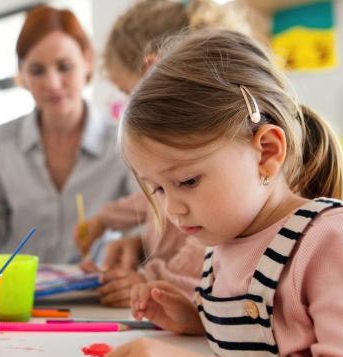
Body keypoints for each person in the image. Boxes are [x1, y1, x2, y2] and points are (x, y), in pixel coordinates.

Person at [93, 30, 343, 357]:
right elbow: (264, 346)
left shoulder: (334, 241)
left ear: (266, 152)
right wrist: (196, 321)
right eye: (158, 189)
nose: (172, 210)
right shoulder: (225, 242)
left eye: (187, 181)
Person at [77, 0, 255, 306]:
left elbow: (208, 247)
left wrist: (152, 279)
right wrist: (131, 238)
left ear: (153, 71)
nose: (128, 109)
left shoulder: (205, 146)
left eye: (129, 94)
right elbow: (157, 195)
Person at [0, 5, 133, 264]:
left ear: (87, 63)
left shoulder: (124, 142)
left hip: (93, 282)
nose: (52, 83)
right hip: (18, 283)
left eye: (64, 67)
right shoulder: (1, 142)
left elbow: (142, 224)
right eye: (37, 70)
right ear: (23, 74)